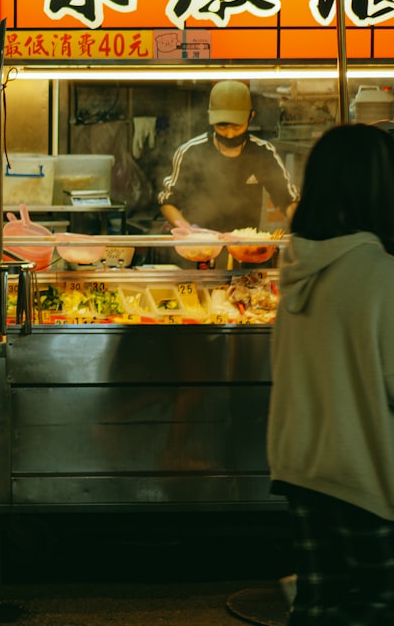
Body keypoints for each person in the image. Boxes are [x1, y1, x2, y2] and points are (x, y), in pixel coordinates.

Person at [267, 123, 394, 625]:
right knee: (380, 607)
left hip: (302, 469)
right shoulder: (379, 273)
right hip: (364, 473)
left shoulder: (300, 264)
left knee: (320, 609)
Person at [159, 80, 298, 233]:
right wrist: (189, 232)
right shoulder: (190, 152)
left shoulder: (264, 152)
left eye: (237, 126)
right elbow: (168, 202)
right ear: (210, 116)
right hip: (200, 249)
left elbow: (288, 200)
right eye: (222, 126)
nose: (230, 134)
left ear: (250, 117)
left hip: (246, 250)